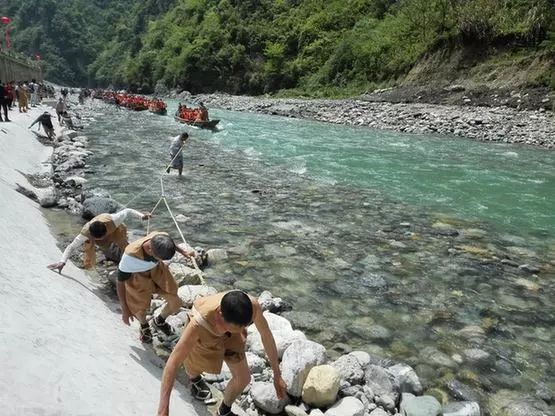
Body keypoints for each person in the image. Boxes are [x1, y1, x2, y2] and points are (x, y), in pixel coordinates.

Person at [156, 290, 288, 416]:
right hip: (207, 330)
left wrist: (277, 374)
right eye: (238, 328)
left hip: (232, 333)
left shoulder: (252, 307)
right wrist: (163, 409)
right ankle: (194, 379)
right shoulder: (197, 324)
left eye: (244, 327)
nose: (244, 331)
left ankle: (224, 410)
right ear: (220, 314)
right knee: (195, 365)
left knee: (243, 379)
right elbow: (173, 362)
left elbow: (266, 335)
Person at [117, 231, 195, 343]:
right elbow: (120, 282)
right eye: (159, 258)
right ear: (149, 249)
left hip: (157, 271)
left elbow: (170, 241)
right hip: (136, 277)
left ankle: (159, 321)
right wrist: (125, 310)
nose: (161, 260)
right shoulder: (130, 258)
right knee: (140, 306)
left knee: (176, 302)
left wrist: (183, 252)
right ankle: (144, 326)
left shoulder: (160, 236)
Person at [47, 208, 151, 274]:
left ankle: (136, 264)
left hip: (115, 230)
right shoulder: (85, 233)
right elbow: (71, 246)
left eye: (103, 236)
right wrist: (62, 262)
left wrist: (141, 216)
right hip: (97, 238)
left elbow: (127, 210)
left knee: (126, 248)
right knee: (91, 249)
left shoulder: (113, 219)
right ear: (92, 235)